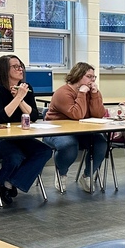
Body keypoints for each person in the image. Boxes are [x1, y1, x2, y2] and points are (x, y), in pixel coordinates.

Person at [0, 54, 53, 204]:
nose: (20, 69)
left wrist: (21, 98)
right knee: (15, 156)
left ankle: (9, 182)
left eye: (21, 66)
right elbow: (1, 117)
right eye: (15, 66)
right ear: (4, 70)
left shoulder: (26, 88)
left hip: (20, 137)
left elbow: (33, 115)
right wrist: (18, 97)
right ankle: (2, 184)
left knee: (45, 151)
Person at [43, 62, 107, 193]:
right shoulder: (63, 93)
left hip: (80, 131)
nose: (92, 80)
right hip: (56, 131)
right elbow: (77, 115)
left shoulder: (92, 91)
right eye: (89, 76)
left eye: (94, 77)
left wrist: (94, 94)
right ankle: (61, 173)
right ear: (78, 76)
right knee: (69, 145)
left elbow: (99, 114)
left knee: (101, 143)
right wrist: (82, 94)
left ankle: (87, 175)